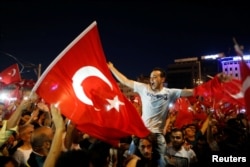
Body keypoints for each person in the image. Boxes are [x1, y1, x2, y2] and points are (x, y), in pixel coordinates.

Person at [107, 62, 194, 167]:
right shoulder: (144, 88)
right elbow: (125, 81)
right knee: (130, 157)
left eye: (155, 77)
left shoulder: (169, 92)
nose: (151, 79)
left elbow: (191, 92)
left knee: (161, 161)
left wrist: (211, 86)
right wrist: (112, 68)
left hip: (157, 134)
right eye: (151, 77)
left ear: (162, 79)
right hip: (142, 132)